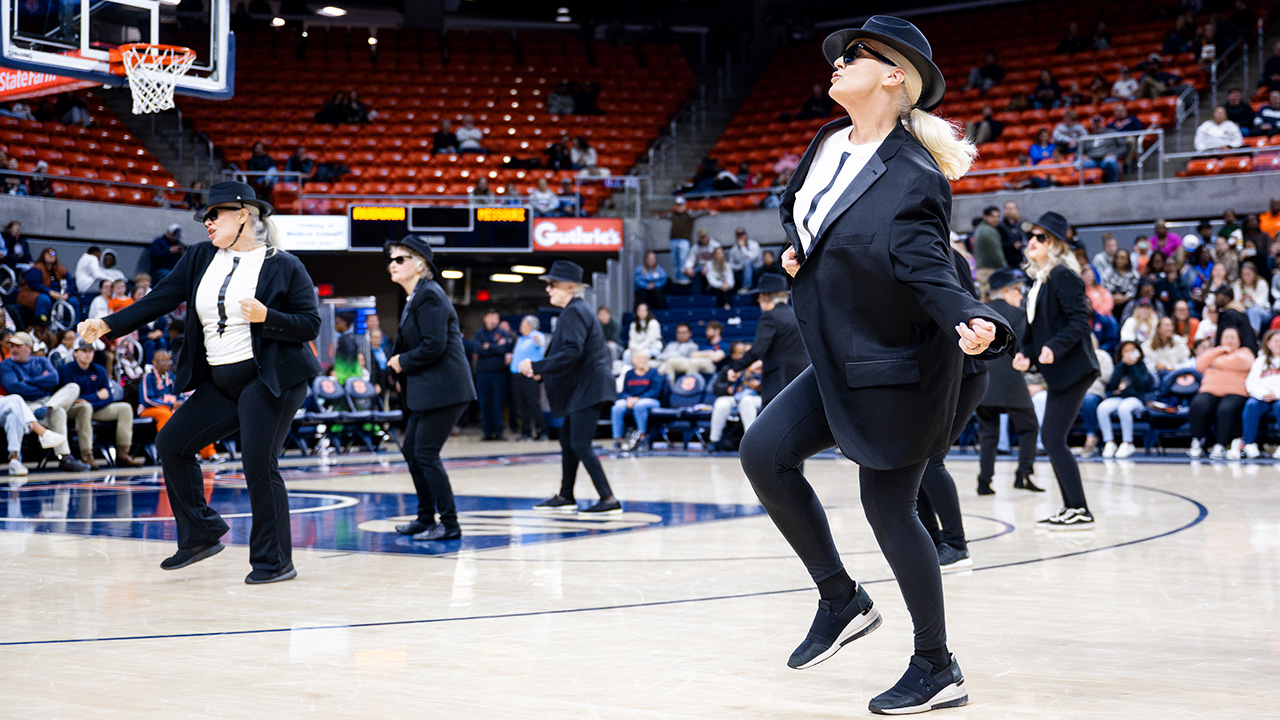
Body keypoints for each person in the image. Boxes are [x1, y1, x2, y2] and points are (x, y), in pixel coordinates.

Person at [737, 17, 1015, 714]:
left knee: (888, 508)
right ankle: (842, 598)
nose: (836, 62)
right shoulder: (828, 141)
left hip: (899, 362)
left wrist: (979, 322)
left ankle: (937, 665)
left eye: (853, 55)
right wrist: (799, 254)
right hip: (839, 349)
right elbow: (803, 215)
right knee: (763, 452)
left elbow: (929, 269)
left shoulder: (914, 177)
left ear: (896, 76)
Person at [77, 181, 322, 584]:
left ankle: (275, 561)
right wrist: (107, 324)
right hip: (222, 381)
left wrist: (268, 317)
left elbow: (310, 324)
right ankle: (201, 534)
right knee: (173, 444)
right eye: (204, 216)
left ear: (244, 214)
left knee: (259, 463)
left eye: (215, 214)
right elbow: (159, 299)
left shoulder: (285, 264)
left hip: (271, 377)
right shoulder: (198, 257)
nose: (206, 222)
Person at [383, 236, 476, 542]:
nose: (392, 265)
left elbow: (434, 346)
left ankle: (449, 523)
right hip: (431, 389)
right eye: (391, 260)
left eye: (400, 260)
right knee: (413, 450)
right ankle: (426, 518)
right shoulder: (416, 297)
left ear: (419, 265)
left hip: (446, 388)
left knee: (425, 453)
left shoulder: (430, 295)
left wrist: (402, 361)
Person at [1012, 212, 1099, 529]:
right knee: (1052, 438)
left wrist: (1054, 348)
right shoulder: (1038, 280)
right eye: (1031, 237)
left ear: (1057, 245)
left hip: (1075, 369)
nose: (1032, 242)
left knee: (1052, 437)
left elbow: (1079, 322)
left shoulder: (1063, 275)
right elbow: (1036, 333)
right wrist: (1026, 354)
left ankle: (1079, 508)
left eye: (1041, 237)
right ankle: (1072, 506)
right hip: (1059, 371)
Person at [520, 260, 620, 515]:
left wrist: (538, 366)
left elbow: (571, 353)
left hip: (591, 387)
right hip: (586, 386)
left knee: (580, 443)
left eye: (553, 285)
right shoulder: (576, 310)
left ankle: (608, 499)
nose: (548, 290)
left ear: (569, 287)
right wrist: (545, 372)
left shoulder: (574, 311)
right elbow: (575, 355)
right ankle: (566, 495)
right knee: (568, 439)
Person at [975, 268, 1040, 494]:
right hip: (1012, 382)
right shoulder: (1019, 315)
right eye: (1018, 290)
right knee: (1029, 428)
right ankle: (1023, 475)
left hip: (984, 383)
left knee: (988, 434)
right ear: (1005, 291)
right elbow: (1022, 349)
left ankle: (984, 481)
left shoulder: (979, 312)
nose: (1021, 296)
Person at [0, 332, 88, 472]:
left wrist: (27, 381)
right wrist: (41, 383)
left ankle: (64, 457)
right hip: (25, 404)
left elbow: (54, 379)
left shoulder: (41, 360)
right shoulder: (6, 365)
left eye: (18, 346)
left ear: (29, 348)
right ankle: (64, 455)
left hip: (47, 401)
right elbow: (14, 387)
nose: (13, 349)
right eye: (11, 346)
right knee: (56, 412)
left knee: (73, 388)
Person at [59, 338, 143, 468]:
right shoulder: (66, 370)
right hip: (73, 410)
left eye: (91, 351)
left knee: (124, 408)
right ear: (75, 353)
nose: (88, 354)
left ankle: (123, 454)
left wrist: (90, 401)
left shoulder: (99, 370)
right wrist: (97, 396)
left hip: (95, 408)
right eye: (84, 351)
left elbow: (109, 397)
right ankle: (87, 455)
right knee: (85, 408)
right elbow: (70, 398)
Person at [727, 273, 806, 406]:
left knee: (776, 424)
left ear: (763, 297)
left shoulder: (769, 317)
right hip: (802, 380)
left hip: (779, 382)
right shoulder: (796, 314)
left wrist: (735, 368)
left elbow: (758, 348)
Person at [138, 349, 217, 461]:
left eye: (168, 362)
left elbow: (180, 394)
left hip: (170, 408)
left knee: (195, 414)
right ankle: (167, 453)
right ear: (154, 362)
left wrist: (179, 402)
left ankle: (208, 453)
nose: (166, 365)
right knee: (165, 414)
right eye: (162, 362)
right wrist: (170, 404)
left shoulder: (171, 376)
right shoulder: (148, 377)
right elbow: (146, 399)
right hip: (149, 409)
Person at [1188, 326, 1253, 460]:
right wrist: (1220, 351)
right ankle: (1197, 441)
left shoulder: (1245, 352)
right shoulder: (1214, 351)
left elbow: (1243, 363)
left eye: (1233, 337)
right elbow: (1199, 365)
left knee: (1225, 409)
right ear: (1220, 339)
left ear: (1239, 340)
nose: (1229, 340)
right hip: (1210, 390)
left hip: (1235, 391)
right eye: (1226, 337)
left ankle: (1221, 444)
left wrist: (1214, 362)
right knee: (1198, 404)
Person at [1096, 340, 1154, 459]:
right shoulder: (1119, 366)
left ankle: (1128, 442)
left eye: (1132, 350)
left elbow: (1141, 385)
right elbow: (1112, 385)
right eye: (1126, 351)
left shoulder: (1141, 366)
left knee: (1124, 408)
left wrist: (1132, 366)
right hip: (1118, 397)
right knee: (1102, 408)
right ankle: (1109, 441)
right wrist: (1121, 365)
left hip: (1135, 398)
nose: (1129, 354)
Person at [610, 349, 663, 451]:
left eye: (643, 358)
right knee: (617, 407)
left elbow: (655, 391)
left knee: (640, 405)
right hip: (631, 400)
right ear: (633, 360)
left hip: (650, 400)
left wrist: (638, 399)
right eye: (638, 358)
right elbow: (625, 391)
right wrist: (628, 398)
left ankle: (643, 437)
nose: (641, 361)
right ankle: (617, 439)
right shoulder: (629, 373)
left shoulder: (654, 372)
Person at [473, 308, 510, 441]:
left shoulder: (502, 334)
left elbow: (504, 349)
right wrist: (494, 348)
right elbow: (478, 350)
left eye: (496, 318)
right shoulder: (479, 334)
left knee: (498, 402)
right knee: (484, 402)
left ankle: (498, 431)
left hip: (498, 374)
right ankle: (487, 431)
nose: (494, 320)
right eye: (491, 317)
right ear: (485, 318)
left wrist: (489, 347)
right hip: (483, 374)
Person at [17, 247, 78, 325]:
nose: (51, 255)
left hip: (59, 294)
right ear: (43, 255)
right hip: (40, 294)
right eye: (48, 254)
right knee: (44, 300)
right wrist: (51, 293)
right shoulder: (37, 268)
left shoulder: (60, 269)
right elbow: (34, 284)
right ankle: (41, 326)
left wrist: (67, 294)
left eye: (53, 254)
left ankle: (74, 328)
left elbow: (71, 283)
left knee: (73, 300)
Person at [509, 315, 546, 442]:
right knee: (521, 405)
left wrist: (534, 335)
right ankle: (526, 432)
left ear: (530, 325)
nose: (520, 327)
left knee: (532, 403)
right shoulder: (521, 339)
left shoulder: (535, 335)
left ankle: (541, 431)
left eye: (523, 324)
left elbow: (540, 342)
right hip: (517, 375)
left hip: (529, 375)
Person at [727, 228, 762, 292]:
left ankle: (746, 287)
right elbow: (730, 264)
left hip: (757, 269)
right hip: (740, 271)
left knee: (747, 263)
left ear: (746, 235)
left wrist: (742, 247)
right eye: (738, 235)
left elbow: (752, 258)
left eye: (742, 234)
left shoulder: (753, 244)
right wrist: (739, 267)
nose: (741, 237)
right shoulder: (733, 249)